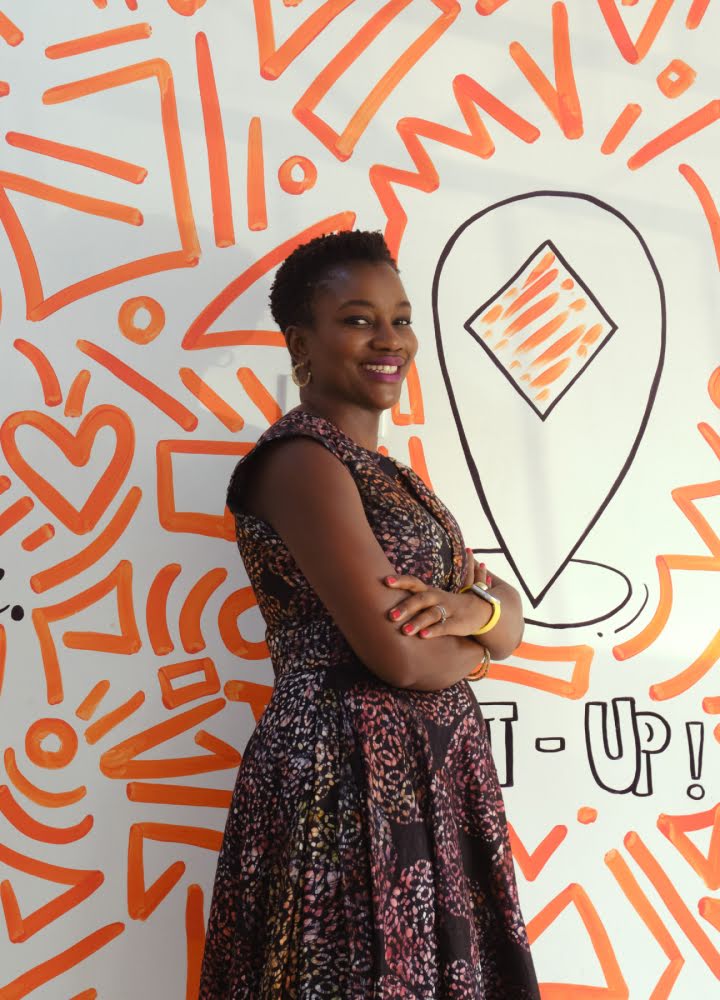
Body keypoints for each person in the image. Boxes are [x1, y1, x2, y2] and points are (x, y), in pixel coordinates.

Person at [199, 230, 540, 998]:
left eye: (400, 317)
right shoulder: (299, 464)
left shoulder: (393, 478)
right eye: (357, 319)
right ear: (301, 342)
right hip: (342, 784)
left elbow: (513, 614)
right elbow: (406, 660)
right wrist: (478, 644)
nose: (390, 340)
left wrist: (467, 608)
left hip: (430, 782)